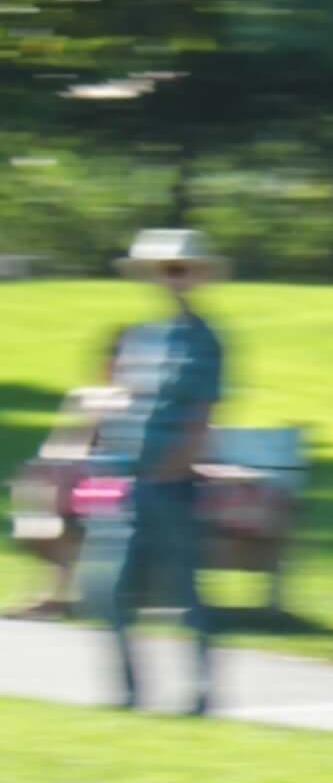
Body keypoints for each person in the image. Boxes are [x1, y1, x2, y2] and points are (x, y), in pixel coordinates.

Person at [82, 229, 228, 714]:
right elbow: (118, 398)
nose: (171, 279)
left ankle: (202, 694)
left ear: (199, 276)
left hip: (169, 485)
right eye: (163, 270)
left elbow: (201, 412)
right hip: (125, 480)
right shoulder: (142, 336)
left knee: (184, 595)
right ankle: (127, 692)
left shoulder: (204, 340)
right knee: (107, 589)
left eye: (180, 269)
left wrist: (172, 468)